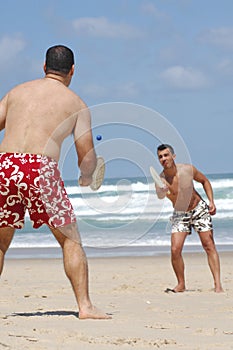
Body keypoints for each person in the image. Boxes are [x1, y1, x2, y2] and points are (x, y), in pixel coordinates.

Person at [0, 45, 111, 319]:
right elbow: (86, 155)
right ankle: (85, 306)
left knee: (1, 242)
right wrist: (88, 176)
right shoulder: (76, 104)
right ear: (72, 70)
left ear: (43, 67)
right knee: (70, 240)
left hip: (5, 166)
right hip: (40, 168)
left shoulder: (16, 92)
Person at [155, 144, 223, 293]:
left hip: (198, 209)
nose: (163, 159)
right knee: (175, 249)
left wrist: (211, 201)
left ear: (173, 156)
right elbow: (159, 196)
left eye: (166, 155)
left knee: (208, 245)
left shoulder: (187, 169)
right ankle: (181, 284)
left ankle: (218, 285)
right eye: (160, 157)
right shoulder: (161, 179)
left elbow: (205, 181)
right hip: (180, 214)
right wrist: (162, 191)